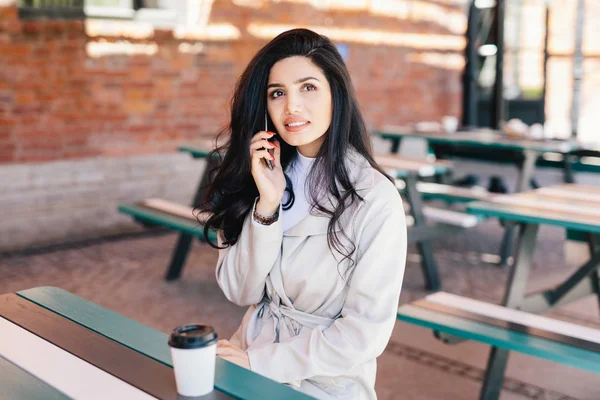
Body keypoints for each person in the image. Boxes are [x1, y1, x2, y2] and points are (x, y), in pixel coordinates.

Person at [199, 28, 407, 399]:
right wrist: (266, 204)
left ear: (335, 94)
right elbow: (239, 290)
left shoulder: (374, 198)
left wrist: (260, 364)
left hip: (324, 381)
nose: (292, 107)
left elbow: (364, 334)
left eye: (308, 88)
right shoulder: (262, 175)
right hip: (247, 354)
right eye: (278, 93)